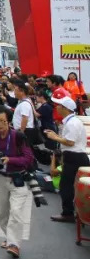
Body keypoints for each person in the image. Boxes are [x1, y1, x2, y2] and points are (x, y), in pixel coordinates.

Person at [0, 106, 34, 258]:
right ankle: (9, 237)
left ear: (9, 122)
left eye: (2, 121)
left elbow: (28, 158)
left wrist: (10, 159)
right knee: (2, 214)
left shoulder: (18, 137)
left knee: (16, 212)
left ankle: (14, 244)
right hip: (0, 178)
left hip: (18, 178)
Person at [43, 96, 89, 224]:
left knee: (66, 186)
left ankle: (68, 213)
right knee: (68, 185)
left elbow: (70, 142)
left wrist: (54, 137)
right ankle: (70, 211)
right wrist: (56, 136)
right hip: (74, 155)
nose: (57, 107)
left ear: (65, 108)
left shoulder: (72, 123)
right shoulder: (71, 121)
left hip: (74, 156)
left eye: (59, 106)